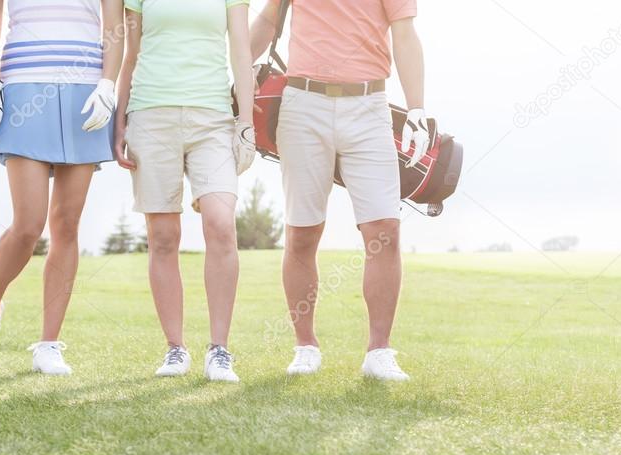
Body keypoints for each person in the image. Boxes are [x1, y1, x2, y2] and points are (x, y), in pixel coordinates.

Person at [251, 0, 430, 381]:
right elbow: (269, 20)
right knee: (302, 231)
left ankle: (379, 352)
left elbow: (405, 34)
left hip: (369, 106)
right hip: (302, 104)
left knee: (384, 229)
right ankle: (305, 346)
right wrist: (228, 76)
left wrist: (417, 108)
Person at [0, 0, 125, 375]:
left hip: (85, 93)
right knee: (28, 226)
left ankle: (49, 345)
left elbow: (116, 25)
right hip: (22, 87)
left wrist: (108, 84)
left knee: (66, 225)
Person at [114, 0, 256, 383]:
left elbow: (241, 50)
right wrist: (119, 121)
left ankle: (220, 349)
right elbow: (131, 54)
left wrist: (246, 120)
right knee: (163, 237)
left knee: (221, 223)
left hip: (213, 120)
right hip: (150, 115)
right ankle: (175, 348)